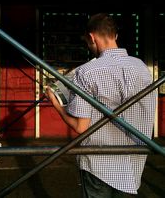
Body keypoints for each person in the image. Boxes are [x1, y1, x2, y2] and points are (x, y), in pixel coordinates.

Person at [45, 13, 156, 197]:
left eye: (88, 42)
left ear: (91, 37)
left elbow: (81, 128)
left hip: (98, 162)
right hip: (134, 162)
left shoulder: (87, 72)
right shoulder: (142, 68)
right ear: (116, 36)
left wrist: (56, 104)